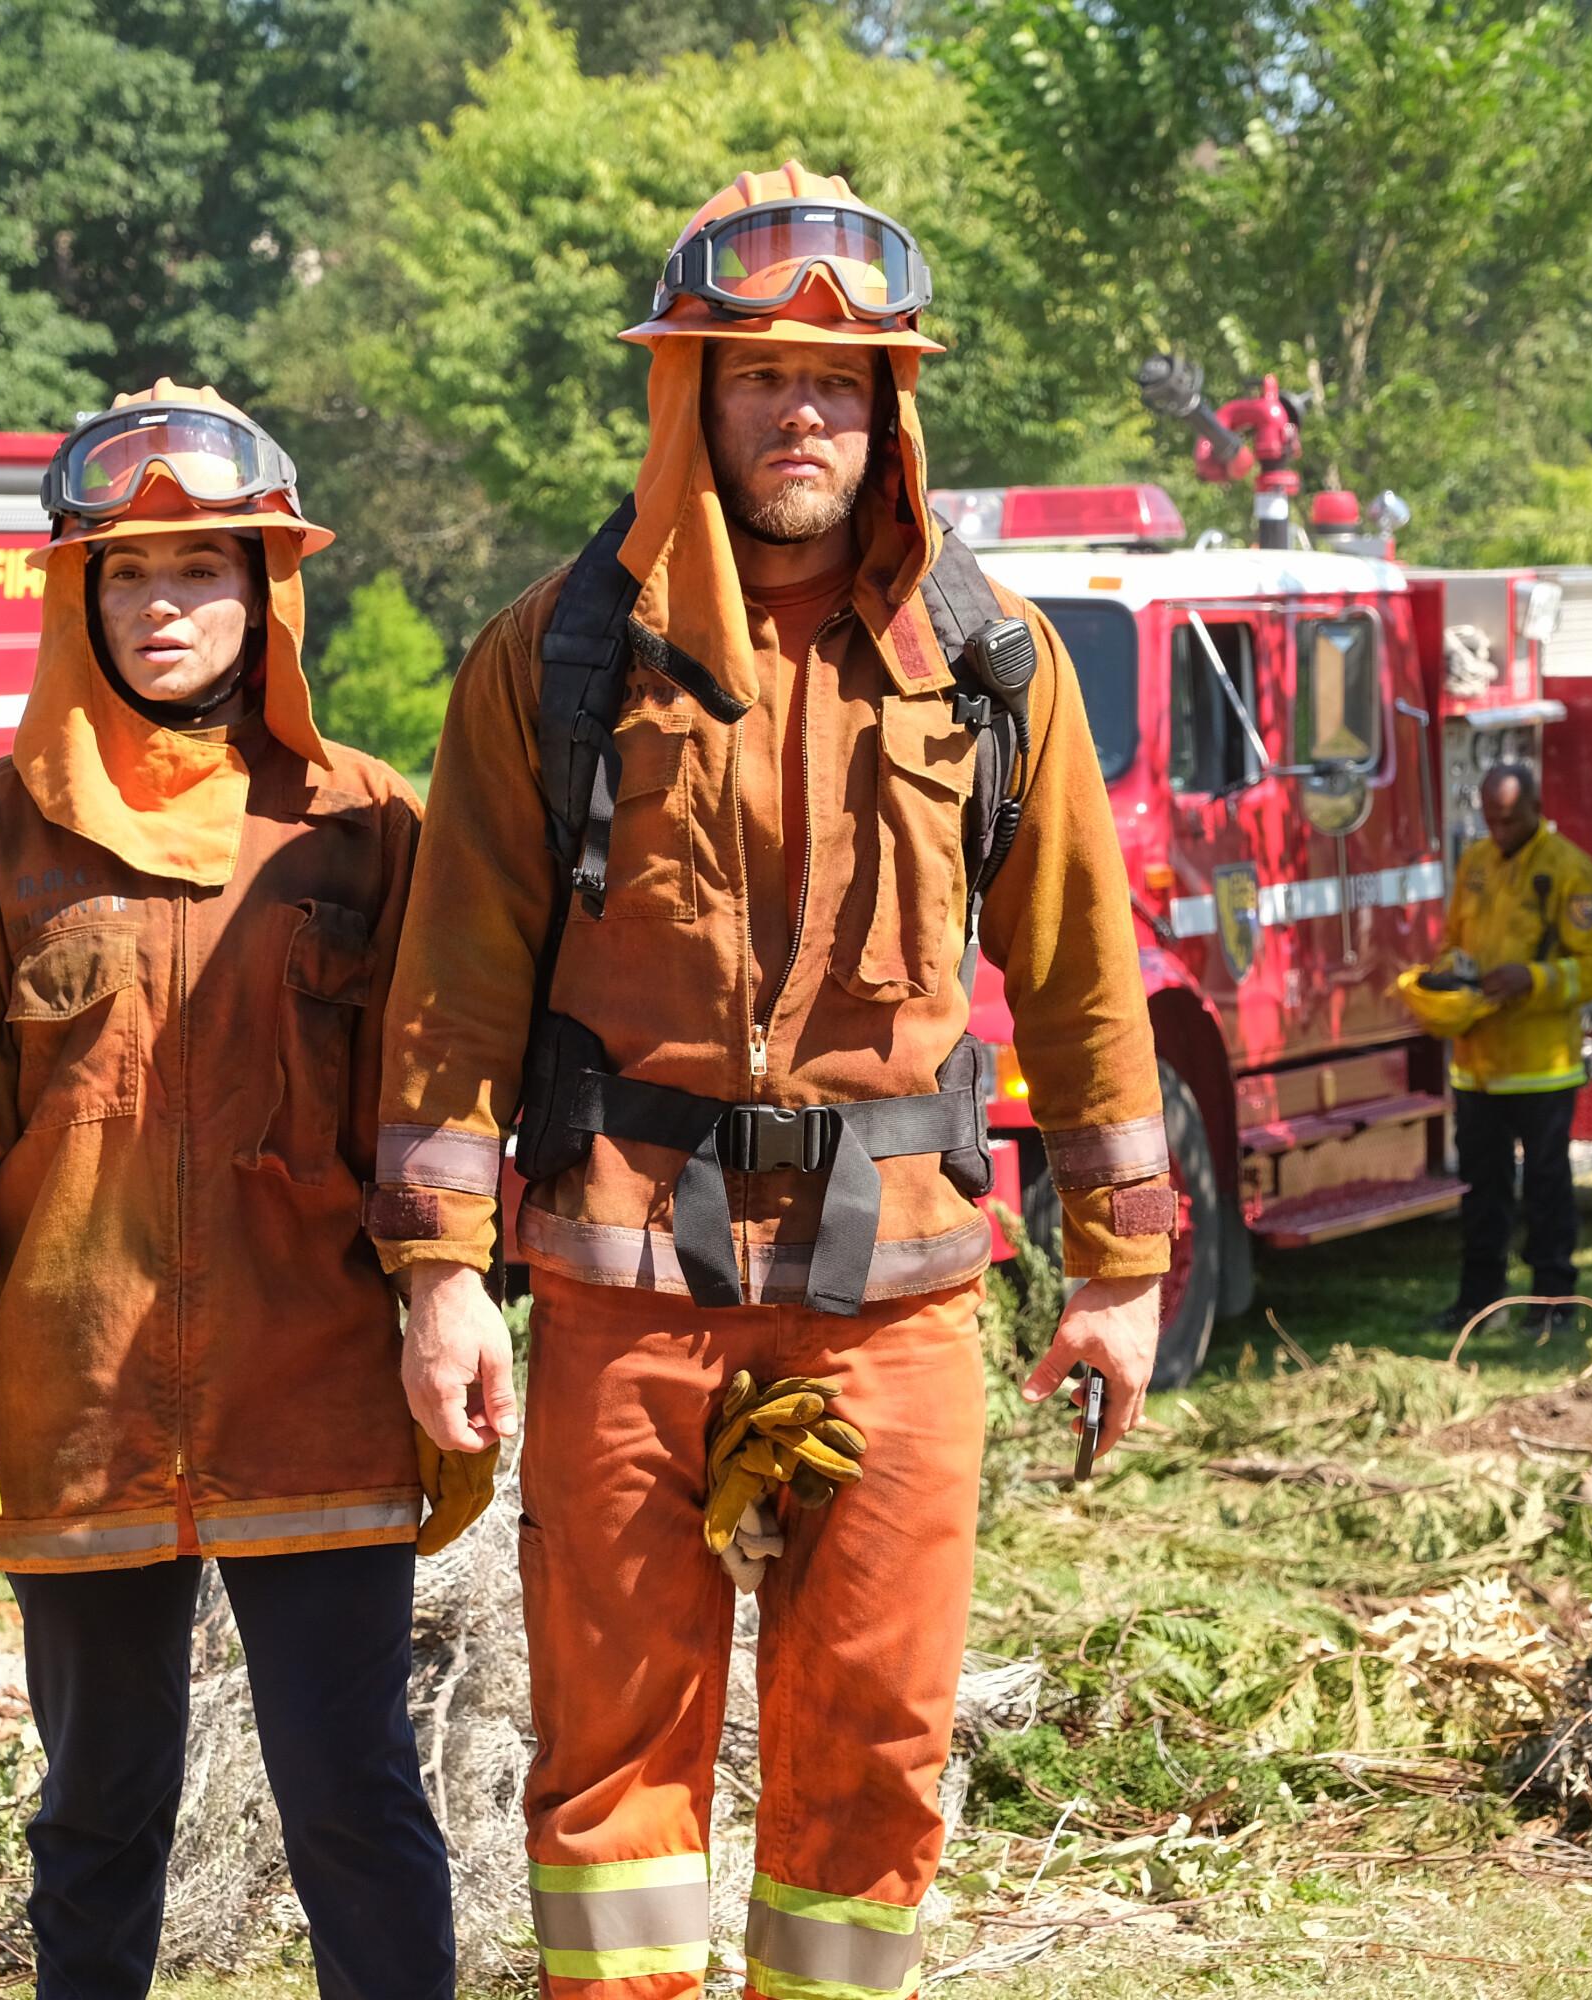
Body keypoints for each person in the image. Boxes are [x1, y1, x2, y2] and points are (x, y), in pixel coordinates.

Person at [367, 166, 1175, 2000]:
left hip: (895, 1301)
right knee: (612, 1772)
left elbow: (1080, 979)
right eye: (760, 376)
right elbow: (454, 996)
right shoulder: (553, 662)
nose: (802, 411)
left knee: (877, 1752)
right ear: (691, 396)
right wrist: (438, 1279)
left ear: (892, 407)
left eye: (840, 379)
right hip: (619, 1290)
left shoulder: (991, 666)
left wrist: (1123, 1270)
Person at [0, 382, 464, 2000]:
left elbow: (435, 1119)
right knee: (102, 1815)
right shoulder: (3, 831)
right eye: (128, 572)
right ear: (79, 594)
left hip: (317, 1395)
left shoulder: (369, 829)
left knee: (354, 1803)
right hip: (78, 1397)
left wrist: (458, 1338)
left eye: (202, 567)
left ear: (269, 590)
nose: (164, 603)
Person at [1425, 763, 1592, 1337]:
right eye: (1490, 819)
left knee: (1547, 1192)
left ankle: (1555, 1303)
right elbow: (1453, 943)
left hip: (1542, 1070)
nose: (1499, 830)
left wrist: (1534, 980)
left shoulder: (1567, 869)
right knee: (1481, 1196)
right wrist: (1444, 983)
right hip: (1478, 1066)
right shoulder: (1478, 863)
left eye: (1509, 819)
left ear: (1535, 808)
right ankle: (1478, 1304)